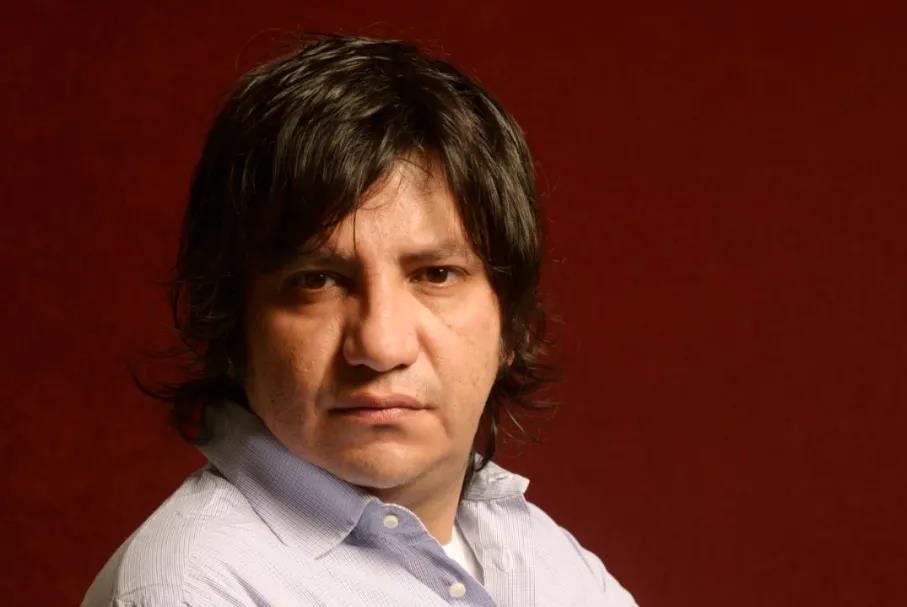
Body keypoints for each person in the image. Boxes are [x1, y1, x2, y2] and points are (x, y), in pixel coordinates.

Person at [82, 35, 636, 606]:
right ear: (232, 324)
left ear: (510, 324)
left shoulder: (552, 563)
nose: (380, 345)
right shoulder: (192, 588)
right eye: (317, 281)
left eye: (436, 275)